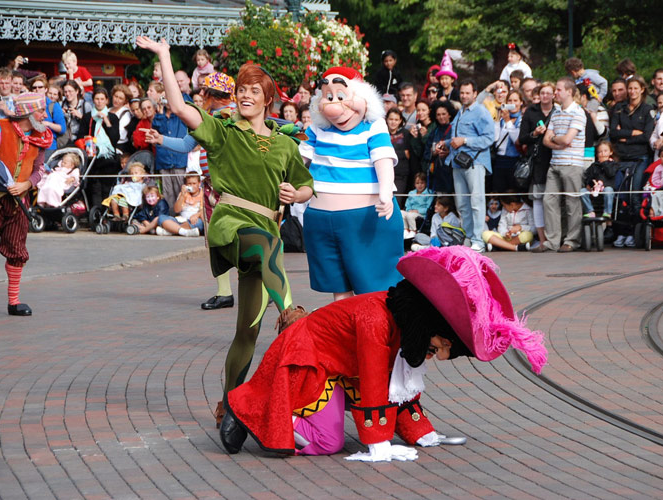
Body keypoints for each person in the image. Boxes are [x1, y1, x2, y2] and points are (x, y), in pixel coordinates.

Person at [218, 247, 547, 458]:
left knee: (338, 432)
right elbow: (375, 380)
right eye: (440, 346)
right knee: (329, 442)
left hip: (339, 369)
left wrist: (422, 433)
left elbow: (397, 387)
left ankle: (267, 410)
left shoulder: (405, 328)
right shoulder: (375, 319)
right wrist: (378, 443)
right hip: (310, 358)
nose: (436, 355)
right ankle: (250, 408)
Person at [136, 36, 314, 424]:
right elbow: (180, 107)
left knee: (248, 331)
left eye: (254, 91)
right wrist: (165, 56)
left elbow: (306, 185)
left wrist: (294, 192)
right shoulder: (223, 130)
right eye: (241, 90)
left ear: (268, 100)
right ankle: (290, 316)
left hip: (266, 234)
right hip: (232, 224)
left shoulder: (285, 145)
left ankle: (229, 405)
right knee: (265, 245)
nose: (245, 95)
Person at [300, 66, 402, 302]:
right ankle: (346, 324)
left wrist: (385, 193)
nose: (335, 107)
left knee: (373, 285)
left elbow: (383, 160)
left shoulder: (373, 126)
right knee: (339, 285)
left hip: (364, 218)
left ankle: (375, 324)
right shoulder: (317, 129)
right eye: (329, 97)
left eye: (341, 96)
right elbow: (297, 161)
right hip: (321, 219)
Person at [142, 71, 238, 314]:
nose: (201, 95)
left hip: (233, 186)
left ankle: (260, 287)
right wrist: (161, 139)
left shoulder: (235, 116)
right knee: (217, 240)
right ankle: (225, 292)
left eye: (205, 91)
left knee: (238, 238)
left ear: (213, 95)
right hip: (212, 187)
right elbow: (187, 144)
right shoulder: (207, 117)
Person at [0, 93, 53, 316]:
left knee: (17, 250)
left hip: (19, 201)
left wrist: (26, 184)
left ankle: (14, 301)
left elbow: (39, 169)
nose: (45, 115)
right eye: (41, 111)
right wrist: (0, 179)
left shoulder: (41, 137)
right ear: (28, 114)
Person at [533, 77, 586, 253]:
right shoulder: (556, 113)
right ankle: (552, 241)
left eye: (559, 89)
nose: (555, 92)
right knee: (549, 201)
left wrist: (555, 138)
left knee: (572, 203)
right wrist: (558, 142)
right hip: (555, 163)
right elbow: (546, 140)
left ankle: (572, 240)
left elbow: (567, 139)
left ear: (569, 92)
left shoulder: (578, 112)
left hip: (572, 163)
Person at [445, 79, 494, 252]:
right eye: (462, 93)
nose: (464, 96)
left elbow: (489, 138)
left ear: (475, 94)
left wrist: (465, 140)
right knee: (462, 204)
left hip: (475, 163)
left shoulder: (481, 112)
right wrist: (445, 144)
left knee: (477, 202)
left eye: (467, 93)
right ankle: (467, 237)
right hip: (457, 163)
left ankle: (478, 240)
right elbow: (456, 138)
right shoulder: (461, 112)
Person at [609, 75, 655, 208]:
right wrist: (632, 132)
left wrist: (624, 138)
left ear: (642, 89)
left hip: (640, 157)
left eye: (635, 88)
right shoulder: (619, 108)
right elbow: (613, 133)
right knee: (619, 194)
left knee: (635, 194)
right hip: (622, 156)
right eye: (630, 88)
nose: (632, 91)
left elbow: (646, 136)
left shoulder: (647, 109)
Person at [518, 81, 554, 248]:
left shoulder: (558, 111)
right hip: (537, 160)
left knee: (553, 200)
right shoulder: (531, 111)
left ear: (554, 95)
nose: (545, 96)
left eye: (548, 93)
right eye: (542, 93)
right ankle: (542, 239)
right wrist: (534, 133)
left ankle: (555, 237)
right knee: (538, 199)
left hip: (555, 158)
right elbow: (522, 138)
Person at [79, 88, 120, 208]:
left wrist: (106, 121)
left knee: (107, 187)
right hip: (93, 156)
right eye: (97, 99)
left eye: (102, 99)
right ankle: (95, 212)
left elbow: (115, 138)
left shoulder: (113, 117)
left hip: (108, 157)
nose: (99, 102)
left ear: (107, 100)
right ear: (93, 100)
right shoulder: (87, 117)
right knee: (94, 187)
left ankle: (106, 211)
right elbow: (81, 135)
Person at [152, 98, 189, 209]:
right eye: (164, 99)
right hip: (163, 159)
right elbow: (157, 131)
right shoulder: (159, 116)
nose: (167, 101)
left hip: (179, 159)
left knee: (181, 190)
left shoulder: (181, 115)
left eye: (169, 97)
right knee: (167, 193)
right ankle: (169, 216)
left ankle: (183, 215)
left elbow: (187, 101)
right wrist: (160, 114)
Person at [491, 89, 523, 194]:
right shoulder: (501, 119)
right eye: (510, 100)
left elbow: (517, 139)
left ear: (521, 102)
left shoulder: (522, 120)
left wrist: (508, 121)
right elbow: (495, 138)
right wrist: (497, 120)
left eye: (515, 100)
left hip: (514, 160)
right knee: (499, 191)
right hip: (499, 160)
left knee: (512, 192)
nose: (512, 103)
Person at [423, 101, 456, 194]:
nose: (441, 117)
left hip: (453, 173)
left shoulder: (455, 129)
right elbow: (426, 153)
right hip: (438, 174)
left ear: (449, 114)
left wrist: (448, 153)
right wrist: (434, 152)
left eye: (444, 114)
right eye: (438, 115)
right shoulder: (435, 131)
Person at [156, 172, 204, 236]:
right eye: (189, 184)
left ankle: (171, 231)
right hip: (181, 220)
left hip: (193, 221)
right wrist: (182, 195)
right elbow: (176, 210)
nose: (192, 186)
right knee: (161, 218)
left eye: (194, 183)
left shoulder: (203, 194)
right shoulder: (183, 193)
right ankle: (184, 232)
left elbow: (205, 210)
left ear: (199, 183)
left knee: (200, 223)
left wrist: (197, 215)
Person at [580, 141, 618, 219]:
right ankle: (590, 211)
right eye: (600, 152)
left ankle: (607, 212)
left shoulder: (613, 164)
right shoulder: (594, 165)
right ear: (597, 154)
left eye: (605, 151)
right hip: (594, 190)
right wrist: (590, 184)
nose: (603, 154)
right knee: (582, 191)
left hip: (606, 189)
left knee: (608, 190)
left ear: (611, 152)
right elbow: (587, 176)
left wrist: (604, 163)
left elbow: (610, 173)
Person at [29, 76, 66, 157]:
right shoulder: (29, 104)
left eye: (40, 87)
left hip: (49, 147)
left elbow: (62, 129)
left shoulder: (53, 105)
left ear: (46, 89)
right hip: (32, 145)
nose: (37, 89)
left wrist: (48, 124)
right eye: (34, 87)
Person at [386, 108, 410, 204]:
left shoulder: (405, 133)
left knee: (396, 202)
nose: (393, 122)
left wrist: (389, 154)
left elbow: (408, 154)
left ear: (400, 120)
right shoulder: (382, 133)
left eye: (396, 120)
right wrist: (401, 153)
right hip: (384, 173)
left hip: (400, 175)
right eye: (391, 119)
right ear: (387, 119)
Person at [401, 172, 434, 239]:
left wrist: (418, 211)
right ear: (414, 184)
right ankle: (406, 229)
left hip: (421, 214)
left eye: (422, 183)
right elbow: (407, 205)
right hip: (410, 211)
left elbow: (428, 208)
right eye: (417, 183)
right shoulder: (411, 193)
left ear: (426, 183)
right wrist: (409, 210)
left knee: (410, 215)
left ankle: (413, 231)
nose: (420, 185)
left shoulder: (429, 193)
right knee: (401, 212)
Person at [109, 84, 134, 156]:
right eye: (115, 96)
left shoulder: (125, 114)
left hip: (119, 147)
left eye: (120, 98)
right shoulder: (108, 110)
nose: (117, 100)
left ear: (125, 101)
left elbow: (121, 134)